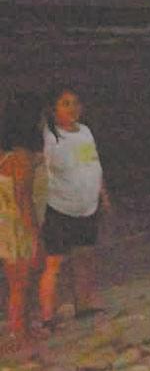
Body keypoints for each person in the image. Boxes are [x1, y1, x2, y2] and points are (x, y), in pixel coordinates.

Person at [38, 87, 110, 329]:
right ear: (54, 109)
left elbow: (92, 163)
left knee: (84, 256)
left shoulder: (85, 131)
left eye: (75, 103)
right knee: (54, 263)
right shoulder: (50, 136)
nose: (72, 108)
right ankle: (47, 317)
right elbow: (38, 171)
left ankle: (83, 305)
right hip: (60, 207)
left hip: (87, 206)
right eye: (65, 103)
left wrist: (103, 194)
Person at [0, 94, 44, 343]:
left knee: (14, 281)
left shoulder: (4, 155)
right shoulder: (22, 157)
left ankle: (19, 328)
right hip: (17, 223)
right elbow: (23, 198)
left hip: (3, 223)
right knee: (24, 281)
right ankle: (21, 331)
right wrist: (34, 232)